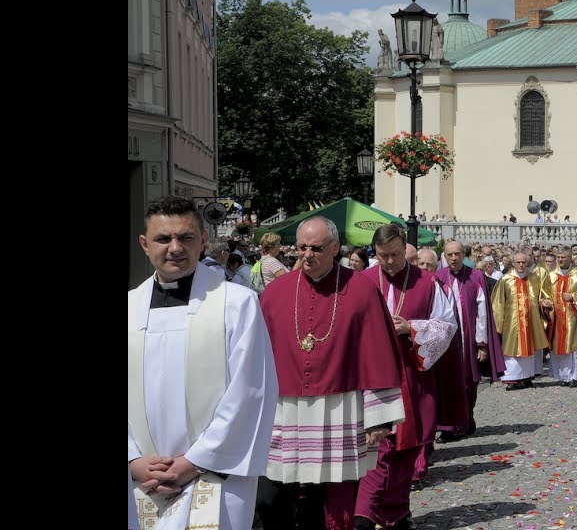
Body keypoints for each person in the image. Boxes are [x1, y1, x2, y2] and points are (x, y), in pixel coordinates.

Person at [129, 196, 278, 530]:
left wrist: (194, 461)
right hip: (141, 478)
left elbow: (251, 391)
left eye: (186, 237)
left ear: (203, 240)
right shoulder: (127, 309)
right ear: (144, 243)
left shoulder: (236, 304)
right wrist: (133, 460)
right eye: (163, 239)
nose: (175, 248)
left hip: (215, 473)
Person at [257, 217, 405, 530]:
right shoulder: (275, 293)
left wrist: (379, 416)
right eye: (301, 248)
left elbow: (377, 352)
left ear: (336, 248)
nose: (307, 255)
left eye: (317, 248)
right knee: (274, 493)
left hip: (340, 409)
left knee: (330, 495)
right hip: (285, 410)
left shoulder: (362, 289)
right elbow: (256, 358)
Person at [354, 225, 459, 530]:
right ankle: (364, 514)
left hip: (411, 375)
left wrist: (411, 328)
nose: (389, 261)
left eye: (396, 255)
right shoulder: (361, 282)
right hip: (371, 377)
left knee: (407, 447)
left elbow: (447, 326)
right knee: (377, 447)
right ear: (375, 252)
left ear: (406, 251)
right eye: (383, 255)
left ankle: (398, 512)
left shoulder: (426, 283)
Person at [435, 241, 504, 438]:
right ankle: (448, 425)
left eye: (457, 254)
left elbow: (482, 312)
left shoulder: (476, 276)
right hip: (445, 341)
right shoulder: (438, 277)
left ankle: (466, 419)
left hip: (468, 340)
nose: (454, 258)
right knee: (445, 383)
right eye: (450, 255)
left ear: (463, 255)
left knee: (467, 382)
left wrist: (481, 344)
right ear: (444, 257)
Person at [490, 252, 550, 389]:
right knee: (512, 350)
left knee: (530, 350)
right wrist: (498, 324)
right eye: (518, 262)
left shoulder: (535, 278)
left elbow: (542, 296)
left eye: (524, 262)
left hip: (531, 320)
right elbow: (498, 304)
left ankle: (527, 377)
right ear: (513, 263)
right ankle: (512, 379)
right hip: (512, 323)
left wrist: (544, 302)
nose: (521, 265)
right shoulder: (505, 279)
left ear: (527, 263)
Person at [543, 246, 577, 387]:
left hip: (573, 318)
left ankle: (574, 377)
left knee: (573, 348)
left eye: (563, 257)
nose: (560, 260)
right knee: (558, 347)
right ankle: (562, 376)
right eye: (558, 257)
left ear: (570, 257)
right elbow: (545, 293)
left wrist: (574, 296)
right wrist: (545, 301)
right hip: (557, 318)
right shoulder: (551, 275)